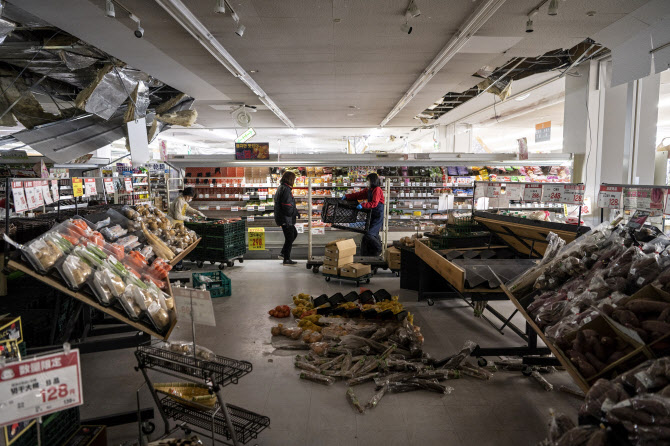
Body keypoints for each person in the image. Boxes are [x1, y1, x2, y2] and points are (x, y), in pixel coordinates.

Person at [343, 173, 385, 256]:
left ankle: (379, 249)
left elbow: (374, 203)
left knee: (369, 234)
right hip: (372, 214)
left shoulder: (377, 189)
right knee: (370, 235)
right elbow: (359, 195)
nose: (367, 182)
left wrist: (362, 205)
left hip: (378, 215)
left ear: (373, 180)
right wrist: (347, 196)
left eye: (368, 180)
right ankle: (369, 255)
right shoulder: (369, 189)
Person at [274, 171, 299, 265]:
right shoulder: (286, 189)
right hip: (286, 218)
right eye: (294, 179)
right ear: (290, 179)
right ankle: (286, 258)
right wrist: (294, 212)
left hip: (283, 217)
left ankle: (283, 253)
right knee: (290, 237)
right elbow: (287, 206)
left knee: (293, 234)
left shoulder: (281, 187)